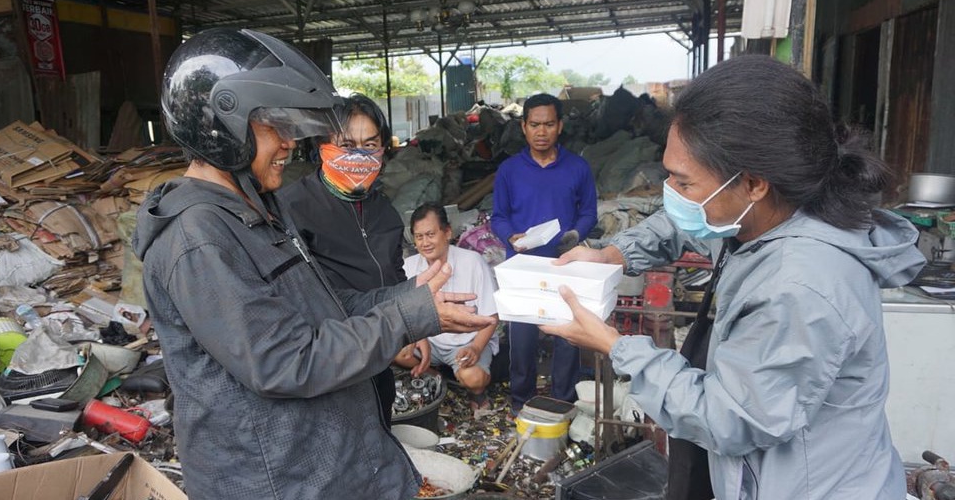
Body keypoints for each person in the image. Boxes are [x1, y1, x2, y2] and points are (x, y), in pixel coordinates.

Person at [133, 28, 494, 499]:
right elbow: (287, 360)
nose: (288, 144)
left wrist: (408, 299)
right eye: (273, 128)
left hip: (319, 464)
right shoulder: (199, 238)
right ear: (222, 127)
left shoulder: (255, 209)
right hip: (277, 481)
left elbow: (321, 304)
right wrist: (405, 318)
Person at [544, 55, 924, 500]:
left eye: (683, 184)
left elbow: (730, 419)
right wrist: (614, 252)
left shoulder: (800, 286)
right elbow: (681, 223)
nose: (670, 192)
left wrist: (616, 346)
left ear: (753, 183)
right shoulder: (767, 214)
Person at [277, 93, 404, 424]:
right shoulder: (292, 209)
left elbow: (395, 274)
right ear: (323, 146)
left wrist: (409, 332)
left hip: (379, 358)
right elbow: (303, 299)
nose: (360, 155)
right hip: (328, 366)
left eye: (370, 144)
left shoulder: (385, 212)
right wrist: (404, 320)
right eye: (347, 145)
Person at [490, 92, 598, 416]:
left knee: (567, 338)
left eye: (548, 124)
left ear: (560, 126)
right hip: (522, 266)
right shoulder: (509, 170)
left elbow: (589, 212)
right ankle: (522, 403)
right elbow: (498, 216)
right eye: (534, 124)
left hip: (564, 265)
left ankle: (562, 402)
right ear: (523, 127)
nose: (541, 131)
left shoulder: (577, 168)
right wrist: (511, 235)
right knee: (522, 341)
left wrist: (575, 235)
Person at [394, 202, 499, 410]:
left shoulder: (473, 262)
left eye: (430, 234)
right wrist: (419, 337)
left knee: (473, 378)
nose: (425, 242)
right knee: (393, 351)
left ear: (447, 232)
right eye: (419, 236)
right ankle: (433, 375)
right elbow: (403, 314)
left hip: (465, 343)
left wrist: (476, 348)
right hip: (428, 342)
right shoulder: (408, 266)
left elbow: (491, 317)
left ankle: (475, 392)